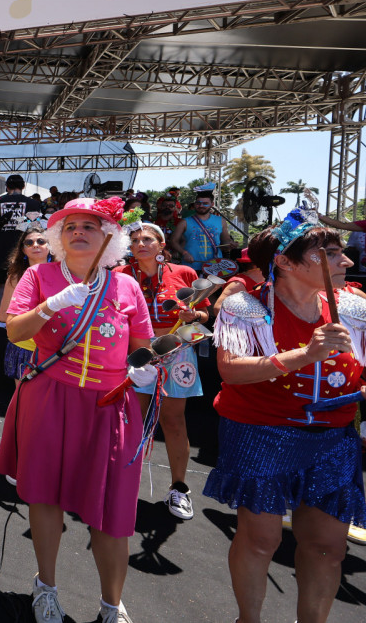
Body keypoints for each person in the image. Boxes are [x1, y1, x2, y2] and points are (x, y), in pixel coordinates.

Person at [206, 208, 366, 623]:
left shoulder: (356, 304)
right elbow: (230, 370)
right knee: (261, 540)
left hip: (332, 439)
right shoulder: (245, 305)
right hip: (261, 435)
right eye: (329, 253)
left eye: (341, 252)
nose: (346, 260)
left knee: (328, 547)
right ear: (285, 261)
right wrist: (305, 354)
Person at [0, 196, 155, 623]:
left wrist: (144, 369)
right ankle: (45, 587)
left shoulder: (127, 286)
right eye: (70, 227)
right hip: (50, 397)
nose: (79, 232)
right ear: (58, 237)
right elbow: (14, 331)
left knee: (112, 511)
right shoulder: (39, 275)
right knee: (45, 497)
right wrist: (52, 304)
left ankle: (112, 604)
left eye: (90, 226)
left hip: (109, 406)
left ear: (110, 236)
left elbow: (142, 347)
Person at [116, 223, 210, 520]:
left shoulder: (184, 273)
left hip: (177, 351)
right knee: (131, 420)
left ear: (161, 243)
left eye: (147, 239)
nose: (140, 244)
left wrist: (194, 314)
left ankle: (179, 488)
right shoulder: (120, 275)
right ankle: (122, 484)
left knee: (173, 421)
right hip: (135, 352)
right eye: (134, 240)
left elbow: (206, 313)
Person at [0, 225, 50, 401]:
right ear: (23, 249)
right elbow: (3, 316)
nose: (35, 245)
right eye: (29, 242)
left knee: (50, 404)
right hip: (24, 347)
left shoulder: (63, 274)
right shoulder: (15, 277)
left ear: (50, 246)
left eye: (41, 241)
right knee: (25, 401)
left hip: (54, 349)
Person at [0, 175, 31, 322]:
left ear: (7, 187)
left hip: (0, 247)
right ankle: (11, 319)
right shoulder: (32, 203)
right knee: (17, 283)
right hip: (21, 249)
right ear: (23, 186)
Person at [171, 185, 235, 271]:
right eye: (198, 203)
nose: (201, 205)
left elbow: (225, 240)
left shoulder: (221, 221)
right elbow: (173, 241)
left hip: (215, 267)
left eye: (205, 203)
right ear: (195, 204)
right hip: (191, 267)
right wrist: (184, 253)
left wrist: (230, 244)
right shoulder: (184, 222)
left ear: (212, 204)